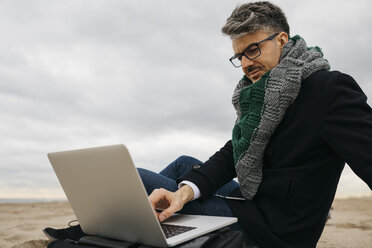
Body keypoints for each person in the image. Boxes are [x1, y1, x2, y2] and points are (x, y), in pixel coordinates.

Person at [138, 1, 372, 248]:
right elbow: (234, 153)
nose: (246, 63)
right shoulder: (264, 93)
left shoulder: (328, 90)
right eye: (240, 56)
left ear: (281, 40)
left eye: (253, 49)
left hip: (269, 231)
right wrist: (182, 194)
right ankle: (153, 229)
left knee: (139, 180)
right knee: (183, 164)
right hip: (251, 204)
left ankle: (144, 231)